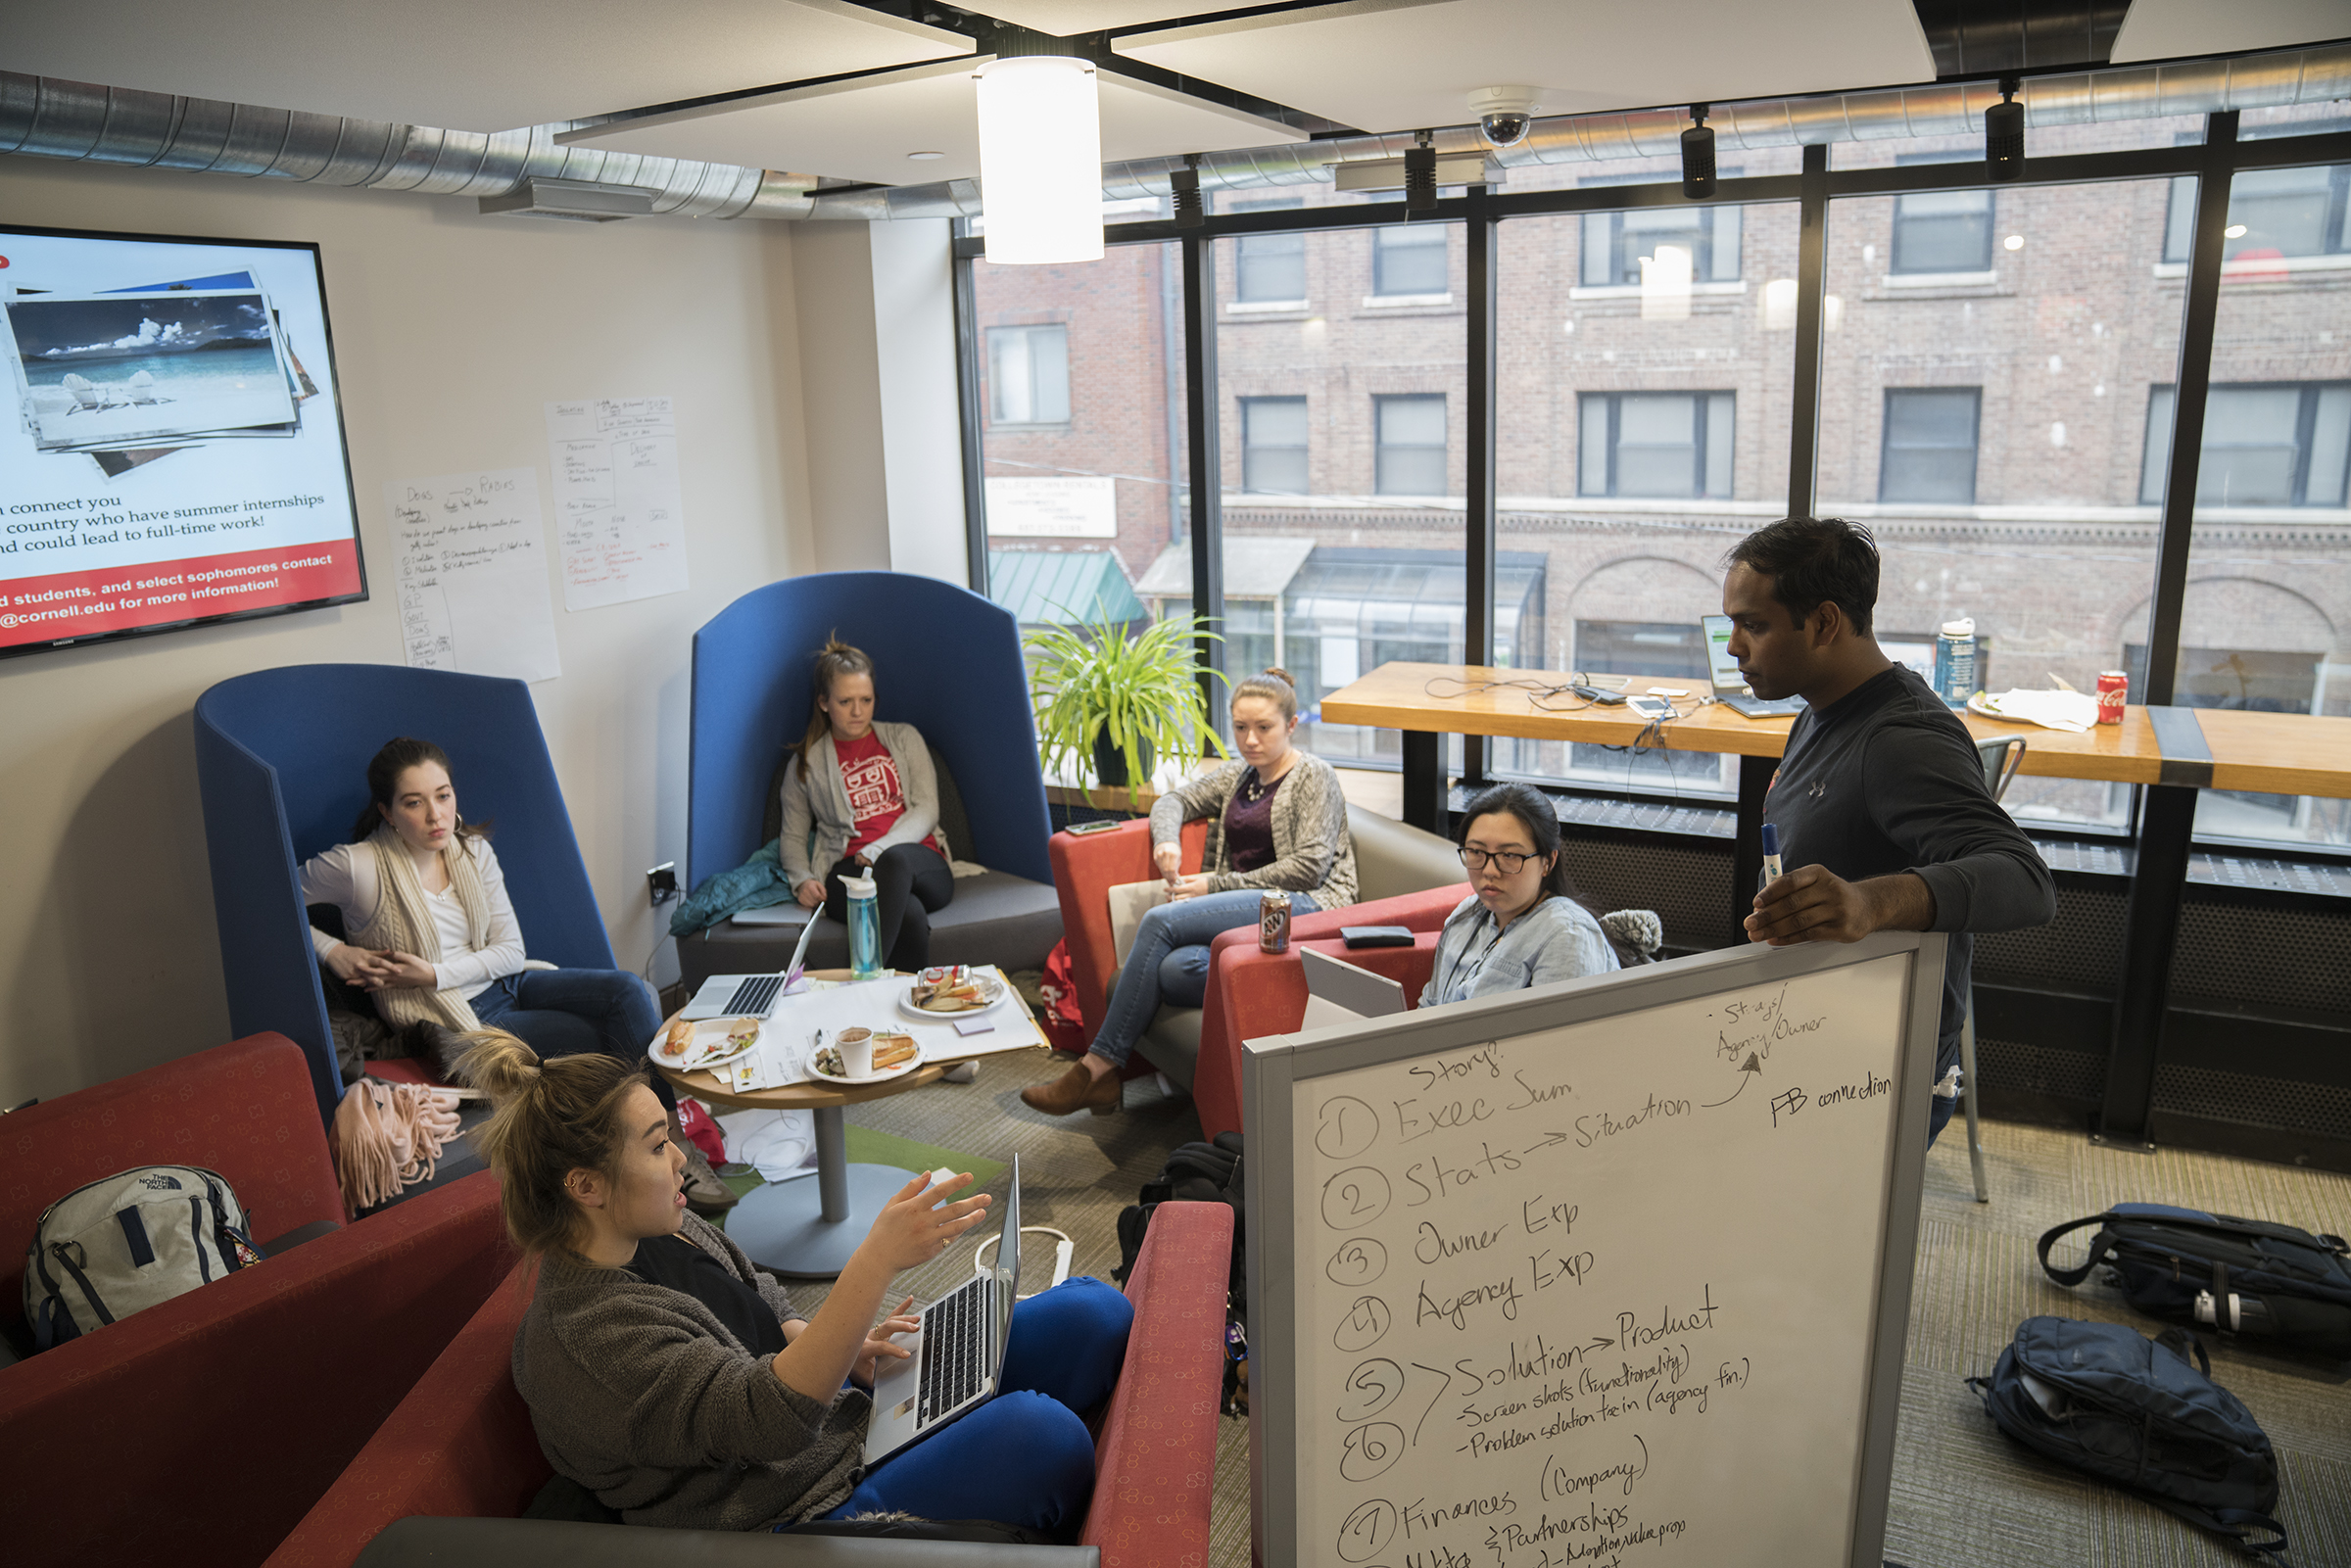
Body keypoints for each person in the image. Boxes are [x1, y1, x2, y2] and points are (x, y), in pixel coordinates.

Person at [463, 1031, 1132, 1535]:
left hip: (831, 1410)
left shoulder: (657, 1227)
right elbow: (765, 1423)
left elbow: (760, 1292)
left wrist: (832, 1341)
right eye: (657, 1143)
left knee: (1091, 1313)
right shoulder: (586, 1339)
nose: (681, 1159)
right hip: (795, 1510)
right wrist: (872, 1264)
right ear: (586, 1186)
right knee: (1046, 1434)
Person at [1721, 516, 2056, 1144]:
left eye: (1755, 626)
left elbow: (2025, 879)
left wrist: (1871, 901)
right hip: (1814, 1040)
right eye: (1731, 625)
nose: (1733, 647)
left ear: (1823, 623)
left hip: (1877, 1071)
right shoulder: (1818, 711)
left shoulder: (1900, 740)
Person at [302, 736, 734, 1213]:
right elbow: (274, 898)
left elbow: (511, 952)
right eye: (414, 802)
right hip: (454, 1021)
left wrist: (432, 971)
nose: (435, 816)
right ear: (386, 811)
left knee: (631, 991)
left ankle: (669, 1143)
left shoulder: (472, 852)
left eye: (443, 795)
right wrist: (333, 950)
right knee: (614, 1029)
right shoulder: (358, 865)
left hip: (510, 982)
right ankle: (656, 1159)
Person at [1025, 668, 1357, 1117]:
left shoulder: (1314, 776)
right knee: (1178, 970)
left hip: (1304, 907)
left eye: (1264, 728)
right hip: (1245, 912)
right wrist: (1167, 840)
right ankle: (1144, 1080)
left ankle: (1098, 1068)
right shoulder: (1241, 775)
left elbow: (1309, 868)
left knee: (1161, 921)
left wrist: (1211, 886)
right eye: (1240, 727)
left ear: (1291, 726)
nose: (1250, 739)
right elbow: (1172, 802)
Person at [779, 639, 955, 974]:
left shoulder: (904, 738)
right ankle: (911, 1009)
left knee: (895, 861)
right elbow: (792, 835)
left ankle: (857, 984)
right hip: (848, 872)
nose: (858, 711)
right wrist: (801, 879)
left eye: (866, 700)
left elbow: (927, 809)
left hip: (919, 862)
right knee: (910, 914)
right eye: (845, 702)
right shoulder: (806, 764)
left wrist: (879, 849)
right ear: (824, 703)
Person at [1418, 783, 1625, 1008]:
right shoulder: (1466, 914)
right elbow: (1428, 1007)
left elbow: (1555, 1039)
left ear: (1548, 862)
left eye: (1509, 855)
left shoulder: (1568, 935)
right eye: (1477, 852)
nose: (1489, 870)